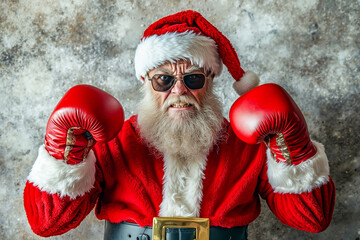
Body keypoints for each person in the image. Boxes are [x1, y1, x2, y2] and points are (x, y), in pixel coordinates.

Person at [23, 10, 335, 240]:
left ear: (210, 82)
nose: (179, 90)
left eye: (193, 78)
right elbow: (47, 224)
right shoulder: (114, 142)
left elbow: (313, 219)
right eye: (164, 79)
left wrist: (293, 148)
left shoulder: (247, 144)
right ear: (147, 82)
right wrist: (67, 152)